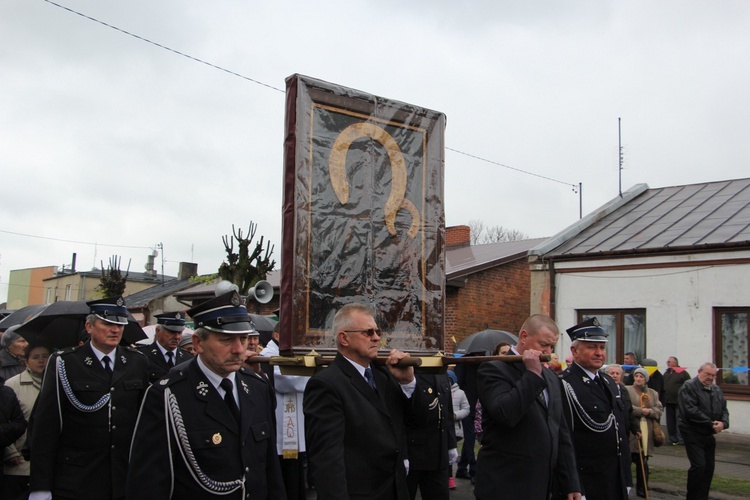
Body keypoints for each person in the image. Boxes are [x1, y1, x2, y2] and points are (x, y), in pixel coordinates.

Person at [127, 290, 285, 499]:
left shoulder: (257, 387)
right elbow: (148, 482)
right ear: (198, 343)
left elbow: (270, 470)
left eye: (244, 338)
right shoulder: (168, 395)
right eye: (226, 340)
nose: (239, 349)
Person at [29, 296, 150, 500]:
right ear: (89, 326)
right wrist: (40, 486)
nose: (115, 330)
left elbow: (144, 423)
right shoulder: (65, 362)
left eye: (120, 324)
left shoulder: (136, 362)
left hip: (122, 477)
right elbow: (45, 427)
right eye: (108, 323)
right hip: (77, 478)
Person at [303, 303, 426, 500]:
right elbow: (327, 462)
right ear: (344, 338)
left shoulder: (384, 376)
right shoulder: (327, 385)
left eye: (377, 331)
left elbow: (417, 423)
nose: (377, 337)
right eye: (368, 332)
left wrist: (408, 382)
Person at [475, 314, 580, 499]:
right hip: (505, 484)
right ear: (524, 336)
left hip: (541, 484)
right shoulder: (493, 369)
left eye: (551, 346)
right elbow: (505, 414)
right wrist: (531, 374)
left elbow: (560, 431)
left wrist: (570, 482)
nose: (548, 352)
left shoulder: (551, 378)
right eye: (543, 345)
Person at [559, 318, 630, 499]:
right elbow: (564, 440)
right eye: (592, 347)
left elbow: (620, 430)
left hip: (614, 476)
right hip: (587, 479)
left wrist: (626, 477)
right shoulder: (565, 384)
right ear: (574, 351)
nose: (599, 353)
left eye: (602, 348)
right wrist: (574, 484)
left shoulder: (608, 382)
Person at [260, 327, 309, 500]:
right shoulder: (269, 354)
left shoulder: (285, 352)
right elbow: (289, 381)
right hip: (281, 424)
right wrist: (316, 373)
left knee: (295, 476)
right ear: (276, 335)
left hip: (293, 421)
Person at [3, 343, 50, 499]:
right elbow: (6, 421)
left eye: (45, 356)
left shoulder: (57, 383)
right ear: (26, 361)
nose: (41, 361)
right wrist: (10, 452)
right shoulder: (13, 385)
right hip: (18, 461)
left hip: (46, 462)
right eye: (36, 357)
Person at [678, 362, 729, 500]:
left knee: (709, 468)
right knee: (699, 465)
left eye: (713, 375)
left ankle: (703, 496)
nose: (710, 378)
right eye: (707, 374)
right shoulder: (689, 387)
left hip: (708, 433)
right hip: (692, 431)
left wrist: (723, 423)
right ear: (700, 371)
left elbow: (724, 409)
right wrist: (710, 423)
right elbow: (690, 411)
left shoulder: (716, 390)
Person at [405, 373, 457, 500]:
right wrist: (403, 454)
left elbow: (447, 411)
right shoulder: (406, 371)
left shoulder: (439, 371)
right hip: (412, 453)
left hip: (438, 454)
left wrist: (451, 444)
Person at [626, 367, 663, 498]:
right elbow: (627, 407)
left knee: (643, 461)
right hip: (632, 429)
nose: (639, 379)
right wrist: (641, 411)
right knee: (629, 458)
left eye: (641, 377)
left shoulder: (653, 393)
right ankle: (625, 487)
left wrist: (650, 412)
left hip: (647, 429)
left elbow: (659, 408)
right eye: (637, 376)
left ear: (646, 379)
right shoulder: (628, 390)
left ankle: (643, 487)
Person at [137, 312, 191, 383]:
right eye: (172, 332)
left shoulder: (188, 358)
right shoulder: (142, 356)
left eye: (179, 333)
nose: (176, 337)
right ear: (158, 331)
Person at [447, 370, 468, 490]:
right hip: (443, 429)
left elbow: (466, 409)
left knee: (451, 453)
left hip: (455, 429)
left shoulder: (460, 393)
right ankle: (447, 476)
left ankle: (449, 478)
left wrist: (455, 415)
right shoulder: (439, 391)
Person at [663, 356, 690, 445]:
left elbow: (689, 386)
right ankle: (672, 438)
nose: (668, 363)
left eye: (669, 362)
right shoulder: (666, 373)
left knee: (679, 420)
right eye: (667, 362)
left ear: (675, 363)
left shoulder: (683, 373)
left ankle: (680, 438)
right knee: (670, 421)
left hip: (679, 402)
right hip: (668, 401)